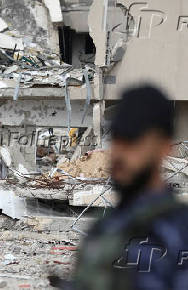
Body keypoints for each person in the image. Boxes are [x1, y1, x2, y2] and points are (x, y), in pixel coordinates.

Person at [67, 86, 188, 290]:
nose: (119, 153)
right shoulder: (103, 227)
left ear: (165, 147)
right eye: (116, 138)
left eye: (132, 141)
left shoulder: (180, 232)